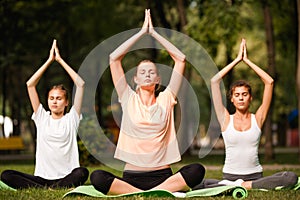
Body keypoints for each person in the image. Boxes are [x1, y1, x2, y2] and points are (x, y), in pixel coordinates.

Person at [90, 9, 205, 195]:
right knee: (97, 177)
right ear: (135, 79)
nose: (147, 75)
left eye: (151, 72)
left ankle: (145, 192)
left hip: (163, 175)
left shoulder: (167, 98)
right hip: (131, 176)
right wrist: (141, 32)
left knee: (196, 171)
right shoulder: (127, 98)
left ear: (158, 79)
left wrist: (155, 33)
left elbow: (181, 59)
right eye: (142, 72)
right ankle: (149, 192)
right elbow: (114, 58)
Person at [200, 38, 298, 190]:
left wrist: (247, 60)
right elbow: (214, 81)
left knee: (291, 177)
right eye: (237, 94)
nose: (240, 97)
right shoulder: (225, 119)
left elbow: (269, 82)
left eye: (244, 94)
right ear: (231, 99)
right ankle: (237, 185)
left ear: (250, 98)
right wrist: (236, 60)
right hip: (229, 176)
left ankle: (245, 185)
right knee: (198, 181)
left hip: (255, 176)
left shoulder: (258, 118)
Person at [0, 39, 89, 189]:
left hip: (67, 176)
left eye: (59, 98)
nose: (54, 102)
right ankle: (50, 188)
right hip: (42, 178)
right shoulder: (42, 117)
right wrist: (49, 61)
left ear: (66, 102)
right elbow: (30, 84)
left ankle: (54, 187)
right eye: (51, 98)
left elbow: (80, 84)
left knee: (82, 172)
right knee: (6, 175)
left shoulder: (72, 119)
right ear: (47, 100)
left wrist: (60, 60)